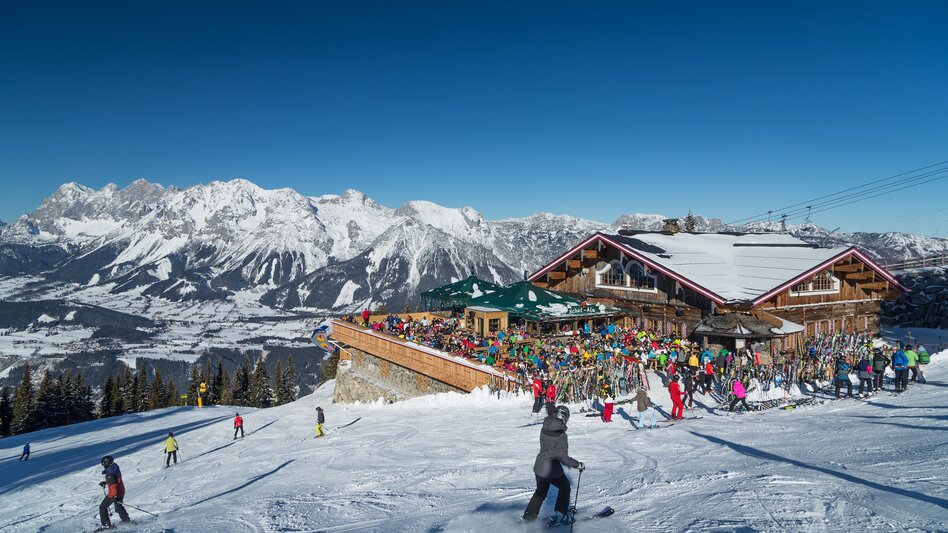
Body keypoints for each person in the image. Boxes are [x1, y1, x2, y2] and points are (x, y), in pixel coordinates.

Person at [522, 405, 584, 525]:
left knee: (540, 492)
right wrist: (578, 465)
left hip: (539, 466)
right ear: (564, 418)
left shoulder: (545, 427)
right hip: (551, 469)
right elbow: (563, 457)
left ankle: (529, 516)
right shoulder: (561, 435)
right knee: (565, 487)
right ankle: (561, 515)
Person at [97, 455, 130, 530]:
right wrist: (106, 483)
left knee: (102, 507)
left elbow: (113, 485)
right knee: (118, 508)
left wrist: (114, 496)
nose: (103, 466)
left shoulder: (109, 473)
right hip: (121, 491)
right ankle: (126, 520)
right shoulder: (114, 468)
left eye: (103, 464)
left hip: (114, 493)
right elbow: (115, 481)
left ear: (106, 463)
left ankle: (106, 525)